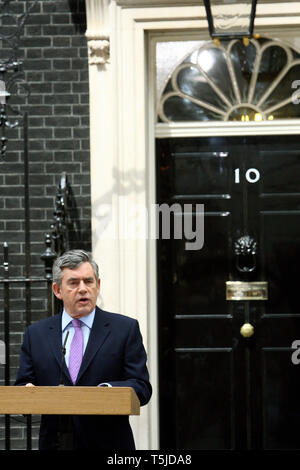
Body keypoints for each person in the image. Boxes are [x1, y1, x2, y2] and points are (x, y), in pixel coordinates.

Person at [15, 249, 152, 450]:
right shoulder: (36, 334)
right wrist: (27, 392)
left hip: (109, 445)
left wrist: (106, 392)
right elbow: (22, 386)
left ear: (98, 285)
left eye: (88, 281)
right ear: (57, 290)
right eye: (73, 283)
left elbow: (142, 387)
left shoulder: (124, 329)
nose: (83, 289)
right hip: (56, 443)